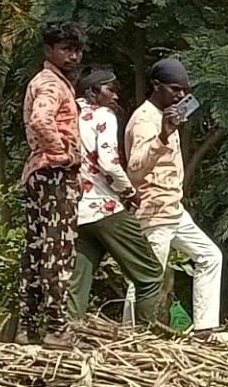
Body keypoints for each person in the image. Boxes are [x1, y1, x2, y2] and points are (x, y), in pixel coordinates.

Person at [126, 57, 228, 342]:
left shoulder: (167, 116)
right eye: (174, 89)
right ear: (156, 86)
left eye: (184, 90)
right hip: (154, 213)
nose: (181, 95)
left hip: (174, 210)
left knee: (210, 257)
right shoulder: (145, 120)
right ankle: (130, 336)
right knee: (147, 278)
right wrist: (162, 135)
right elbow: (134, 169)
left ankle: (206, 329)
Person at [69, 66, 166, 328]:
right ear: (92, 92)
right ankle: (147, 339)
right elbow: (109, 163)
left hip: (77, 211)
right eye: (110, 89)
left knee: (79, 282)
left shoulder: (71, 115)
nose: (115, 97)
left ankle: (66, 335)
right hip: (104, 207)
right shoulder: (103, 115)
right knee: (150, 275)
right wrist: (129, 192)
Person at [18, 20, 90, 345]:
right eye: (65, 49)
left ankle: (28, 326)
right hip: (55, 174)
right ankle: (56, 326)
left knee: (35, 250)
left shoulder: (52, 81)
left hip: (39, 173)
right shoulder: (51, 85)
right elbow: (40, 119)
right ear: (49, 50)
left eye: (76, 50)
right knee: (56, 250)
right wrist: (61, 153)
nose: (73, 56)